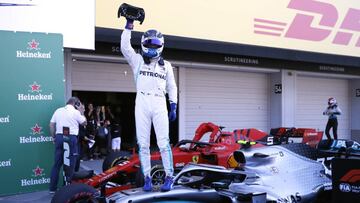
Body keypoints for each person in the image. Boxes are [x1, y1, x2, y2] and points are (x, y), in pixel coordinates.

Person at [121, 18, 178, 192]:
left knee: (163, 142)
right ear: (143, 43)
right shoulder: (137, 60)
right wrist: (129, 26)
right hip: (142, 102)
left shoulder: (167, 66)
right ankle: (147, 177)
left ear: (161, 45)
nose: (152, 47)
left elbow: (172, 86)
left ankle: (169, 176)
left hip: (160, 102)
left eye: (155, 44)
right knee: (143, 144)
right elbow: (125, 47)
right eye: (149, 43)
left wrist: (173, 104)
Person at [48, 97, 86, 194]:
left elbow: (51, 125)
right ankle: (67, 189)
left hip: (60, 137)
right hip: (71, 137)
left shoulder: (58, 110)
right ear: (76, 103)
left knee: (57, 165)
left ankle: (52, 189)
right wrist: (81, 111)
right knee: (70, 164)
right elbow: (84, 123)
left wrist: (54, 137)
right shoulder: (76, 112)